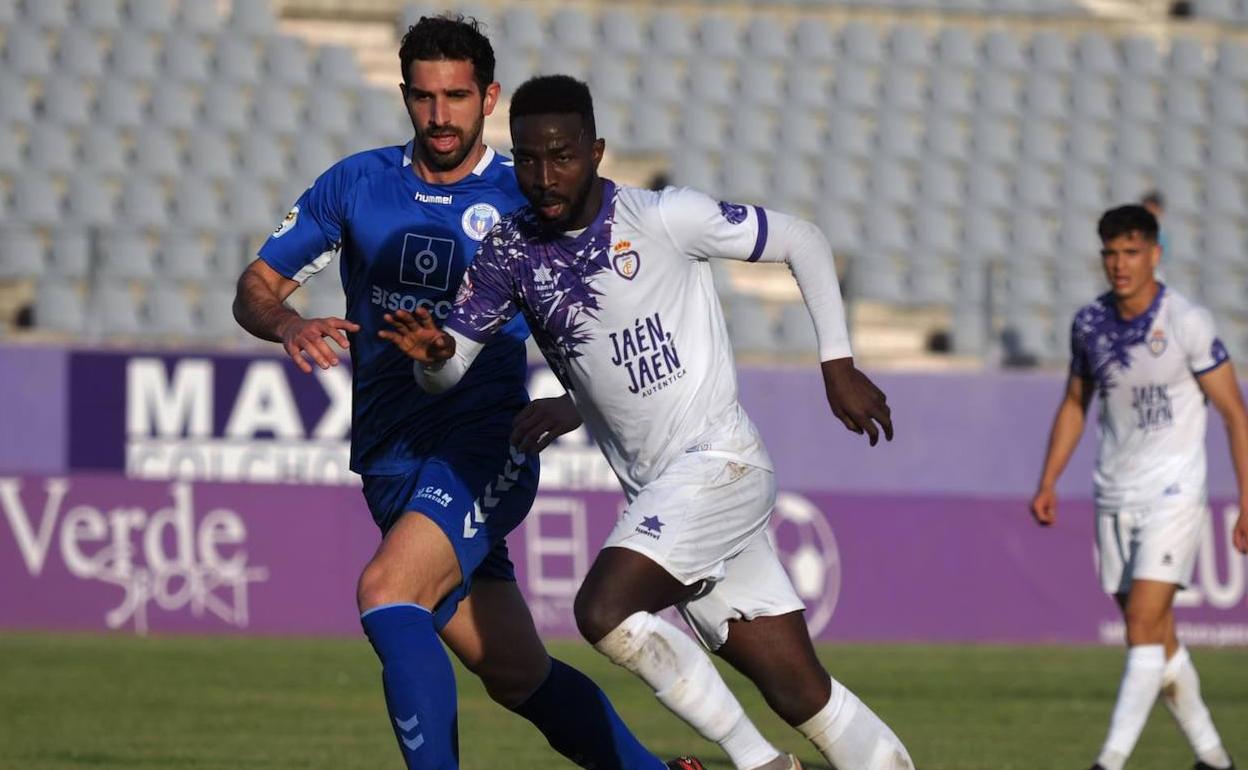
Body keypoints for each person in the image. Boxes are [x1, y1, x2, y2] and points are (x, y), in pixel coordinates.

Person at [381, 75, 915, 770]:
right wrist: (436, 360)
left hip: (720, 464)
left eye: (562, 156)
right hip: (663, 493)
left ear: (596, 151)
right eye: (530, 159)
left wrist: (836, 362)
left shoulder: (665, 218)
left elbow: (802, 239)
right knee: (801, 690)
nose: (545, 176)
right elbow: (450, 368)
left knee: (602, 611)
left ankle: (758, 763)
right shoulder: (510, 251)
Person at [233, 18, 690, 770]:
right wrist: (286, 321)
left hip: (485, 442)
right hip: (388, 459)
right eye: (424, 97)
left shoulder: (527, 193)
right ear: (404, 95)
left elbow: (623, 309)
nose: (440, 115)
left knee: (388, 592)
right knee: (515, 673)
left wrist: (580, 402)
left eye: (456, 96)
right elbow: (256, 284)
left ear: (489, 98)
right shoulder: (357, 184)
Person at [1030, 205, 1248, 770]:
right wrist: (1049, 478)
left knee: (1144, 625)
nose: (1119, 264)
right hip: (1113, 492)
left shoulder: (1186, 322)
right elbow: (1075, 404)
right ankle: (1214, 759)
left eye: (1131, 252)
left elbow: (1235, 413)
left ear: (1155, 254)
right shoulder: (1089, 324)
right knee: (1154, 636)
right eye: (1111, 253)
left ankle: (1109, 760)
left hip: (1173, 491)